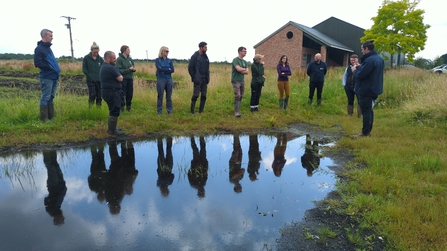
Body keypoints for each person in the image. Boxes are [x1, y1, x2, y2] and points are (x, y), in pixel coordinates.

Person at [352, 40, 384, 137]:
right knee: (369, 110)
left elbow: (361, 75)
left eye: (362, 49)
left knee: (366, 111)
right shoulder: (379, 59)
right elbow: (371, 72)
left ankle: (365, 132)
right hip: (374, 88)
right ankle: (368, 130)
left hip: (366, 89)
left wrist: (354, 70)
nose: (362, 51)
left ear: (367, 49)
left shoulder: (369, 60)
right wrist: (361, 67)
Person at [34, 29, 61, 122]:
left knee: (51, 97)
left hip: (54, 77)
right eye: (50, 36)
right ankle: (44, 118)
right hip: (47, 77)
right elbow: (37, 63)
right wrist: (49, 68)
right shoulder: (39, 49)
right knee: (45, 97)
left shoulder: (48, 48)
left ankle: (51, 117)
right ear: (44, 36)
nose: (52, 38)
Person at [100, 51, 124, 135]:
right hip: (112, 92)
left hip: (108, 91)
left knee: (113, 109)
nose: (115, 60)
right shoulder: (110, 68)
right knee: (115, 110)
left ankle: (112, 128)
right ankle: (112, 130)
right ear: (108, 58)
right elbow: (120, 78)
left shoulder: (104, 66)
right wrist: (121, 76)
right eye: (113, 58)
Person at [43, 150, 66, 225]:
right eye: (63, 219)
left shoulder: (51, 210)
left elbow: (46, 200)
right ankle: (52, 149)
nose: (63, 217)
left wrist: (55, 193)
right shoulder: (58, 209)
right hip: (60, 184)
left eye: (61, 219)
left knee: (51, 167)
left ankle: (46, 150)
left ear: (56, 219)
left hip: (54, 185)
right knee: (55, 165)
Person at [188, 42, 210, 114]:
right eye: (205, 47)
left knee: (204, 95)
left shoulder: (205, 56)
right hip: (197, 79)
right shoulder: (194, 56)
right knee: (196, 95)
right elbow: (190, 68)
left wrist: (207, 78)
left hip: (204, 79)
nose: (206, 49)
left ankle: (201, 111)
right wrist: (194, 77)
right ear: (201, 48)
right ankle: (192, 111)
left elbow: (207, 68)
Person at [82, 42, 104, 107]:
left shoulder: (100, 59)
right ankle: (90, 108)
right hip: (90, 80)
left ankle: (98, 109)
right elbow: (84, 69)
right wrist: (89, 75)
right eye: (95, 52)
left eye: (97, 52)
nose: (96, 53)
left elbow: (103, 68)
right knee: (92, 94)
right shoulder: (86, 58)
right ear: (91, 51)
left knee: (99, 95)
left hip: (99, 80)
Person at [155, 46, 175, 115]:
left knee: (169, 96)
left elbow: (172, 70)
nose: (167, 52)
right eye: (166, 51)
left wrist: (164, 70)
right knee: (160, 95)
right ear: (162, 51)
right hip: (161, 79)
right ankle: (159, 111)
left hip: (169, 79)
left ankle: (169, 110)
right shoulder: (158, 60)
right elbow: (159, 69)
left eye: (168, 51)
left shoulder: (169, 60)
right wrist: (167, 69)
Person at [116, 45, 136, 112]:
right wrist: (128, 69)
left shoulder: (130, 59)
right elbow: (119, 70)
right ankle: (121, 108)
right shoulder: (119, 59)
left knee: (130, 93)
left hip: (130, 78)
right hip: (123, 79)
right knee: (122, 93)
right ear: (124, 51)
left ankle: (128, 108)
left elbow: (133, 66)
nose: (129, 51)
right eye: (128, 50)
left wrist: (133, 69)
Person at [231, 46, 249, 117]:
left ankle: (238, 110)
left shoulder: (244, 62)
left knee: (241, 95)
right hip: (236, 80)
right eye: (244, 51)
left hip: (242, 80)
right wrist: (243, 70)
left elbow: (247, 72)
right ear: (239, 52)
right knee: (237, 95)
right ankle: (236, 112)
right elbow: (238, 69)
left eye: (245, 51)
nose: (245, 52)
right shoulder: (235, 60)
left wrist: (242, 70)